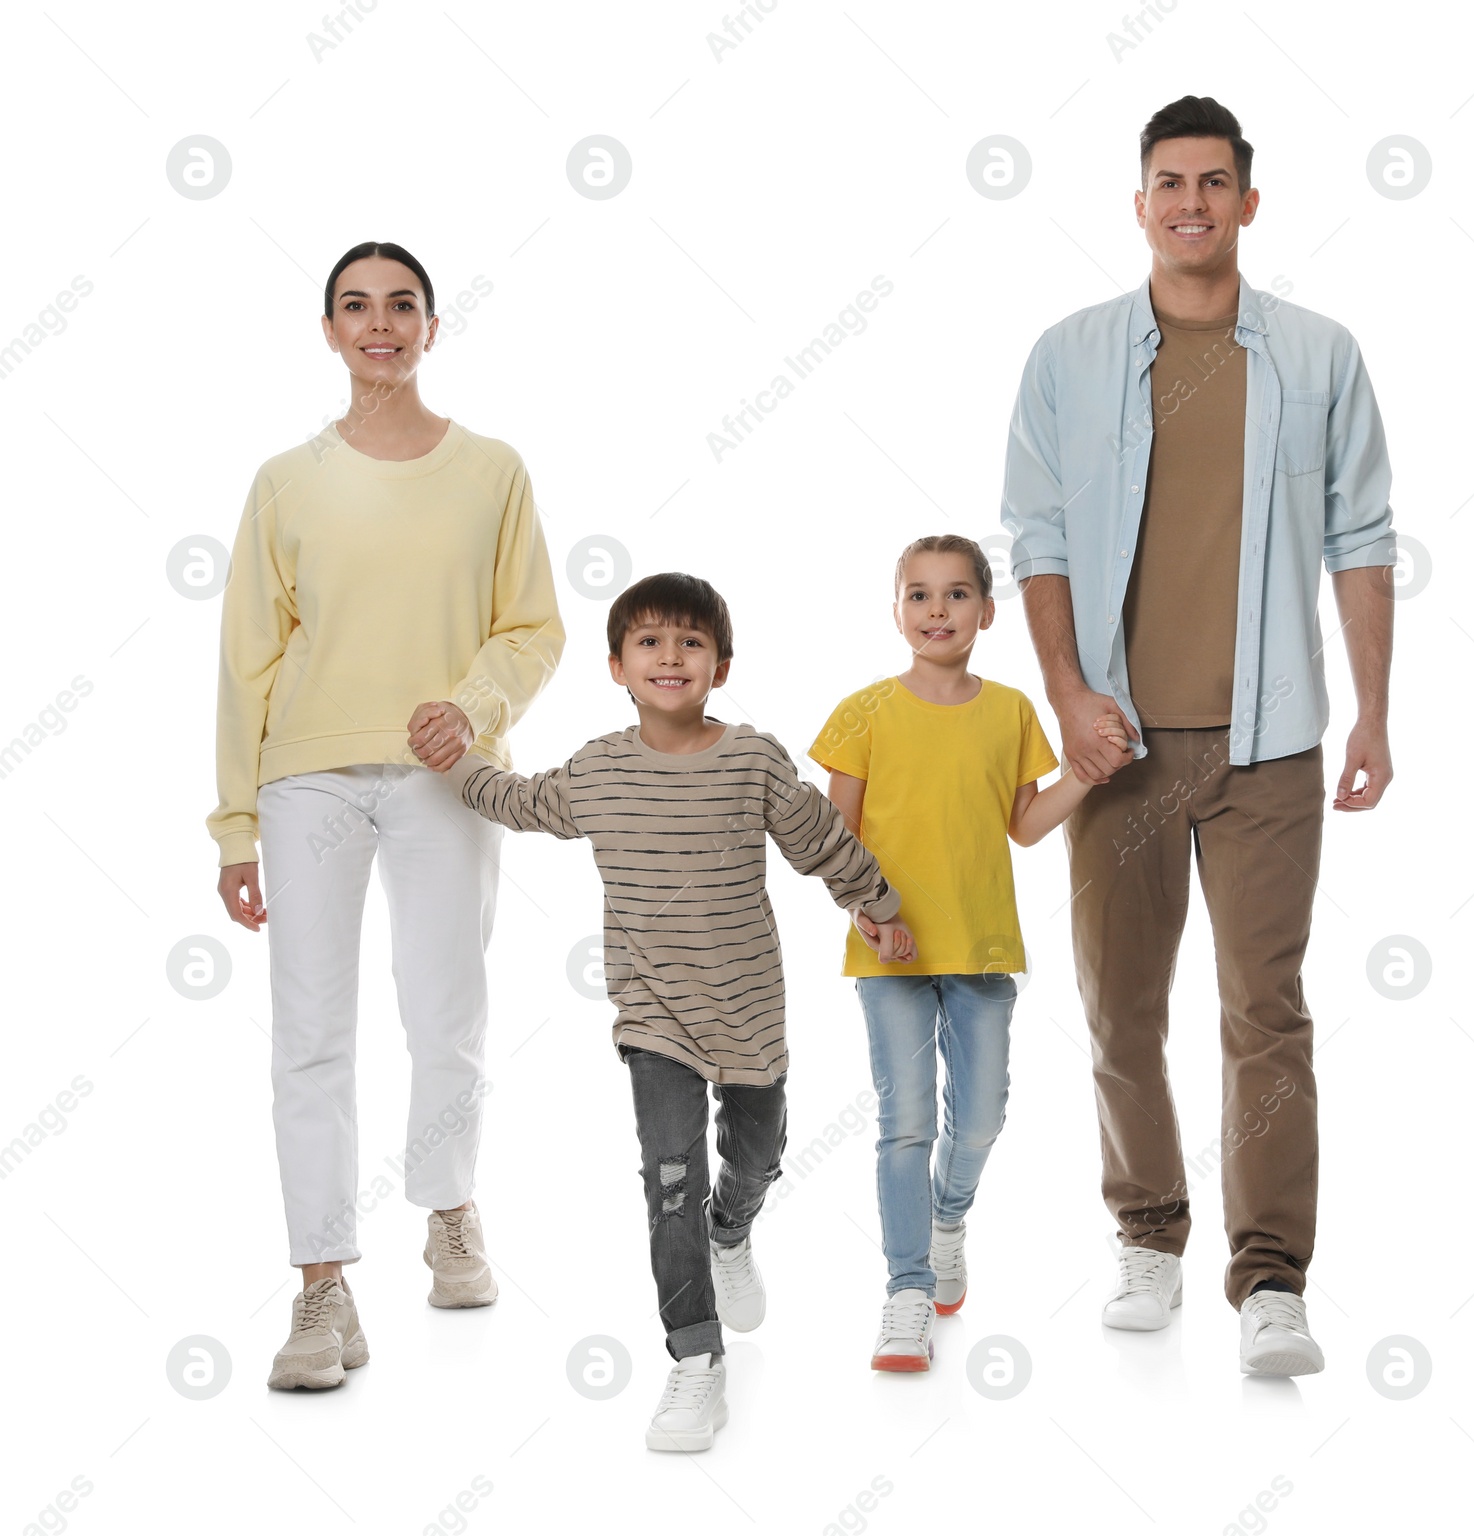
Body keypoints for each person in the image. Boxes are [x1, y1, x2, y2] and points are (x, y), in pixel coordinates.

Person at [1002, 96, 1396, 1376]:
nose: (1190, 202)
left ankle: (1271, 1277)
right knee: (1118, 1007)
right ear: (1137, 204)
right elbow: (1041, 541)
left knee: (1263, 1012)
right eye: (1168, 182)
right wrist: (1067, 698)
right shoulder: (1066, 356)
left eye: (1213, 182)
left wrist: (1375, 716)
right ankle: (1148, 1234)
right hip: (1116, 750)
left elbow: (1362, 541)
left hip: (1269, 743)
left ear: (1247, 201)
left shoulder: (1322, 354)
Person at [433, 571, 916, 1450]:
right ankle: (696, 1360)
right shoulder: (601, 769)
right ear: (617, 665)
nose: (670, 656)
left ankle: (734, 1231)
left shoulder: (754, 759)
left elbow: (820, 841)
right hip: (653, 1017)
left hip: (749, 1012)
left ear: (720, 667)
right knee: (668, 1182)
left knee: (759, 1150)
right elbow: (519, 801)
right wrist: (460, 759)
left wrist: (878, 906)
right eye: (649, 642)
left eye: (690, 642)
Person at [208, 241, 565, 1390]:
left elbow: (532, 628)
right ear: (328, 331)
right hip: (306, 777)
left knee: (446, 1012)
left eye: (400, 306)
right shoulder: (286, 480)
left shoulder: (494, 470)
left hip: (445, 779)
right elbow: (246, 661)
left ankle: (449, 1211)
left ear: (431, 327)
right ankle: (320, 1291)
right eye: (355, 307)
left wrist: (469, 711)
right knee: (309, 1036)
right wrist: (233, 828)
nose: (379, 324)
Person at [810, 535, 1125, 1372]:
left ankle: (948, 1217)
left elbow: (1023, 825)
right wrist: (868, 917)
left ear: (987, 612)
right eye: (918, 595)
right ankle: (906, 1291)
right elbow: (833, 840)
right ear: (896, 611)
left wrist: (1087, 776)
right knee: (903, 1124)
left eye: (955, 596)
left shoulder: (1013, 711)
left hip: (982, 948)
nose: (936, 610)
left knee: (980, 1116)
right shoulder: (862, 713)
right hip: (890, 956)